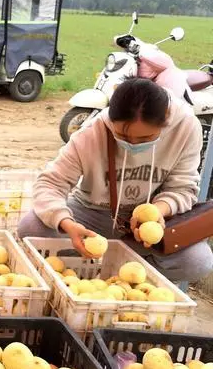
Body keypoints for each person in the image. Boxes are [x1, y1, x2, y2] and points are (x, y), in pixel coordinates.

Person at [18, 77, 213, 282]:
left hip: (149, 224)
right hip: (93, 214)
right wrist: (66, 223)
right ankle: (92, 277)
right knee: (32, 228)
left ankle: (124, 279)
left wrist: (158, 211)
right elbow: (51, 183)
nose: (133, 144)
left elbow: (183, 188)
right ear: (111, 119)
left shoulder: (186, 127)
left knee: (197, 262)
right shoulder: (93, 132)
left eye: (145, 138)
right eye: (123, 136)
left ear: (165, 121)